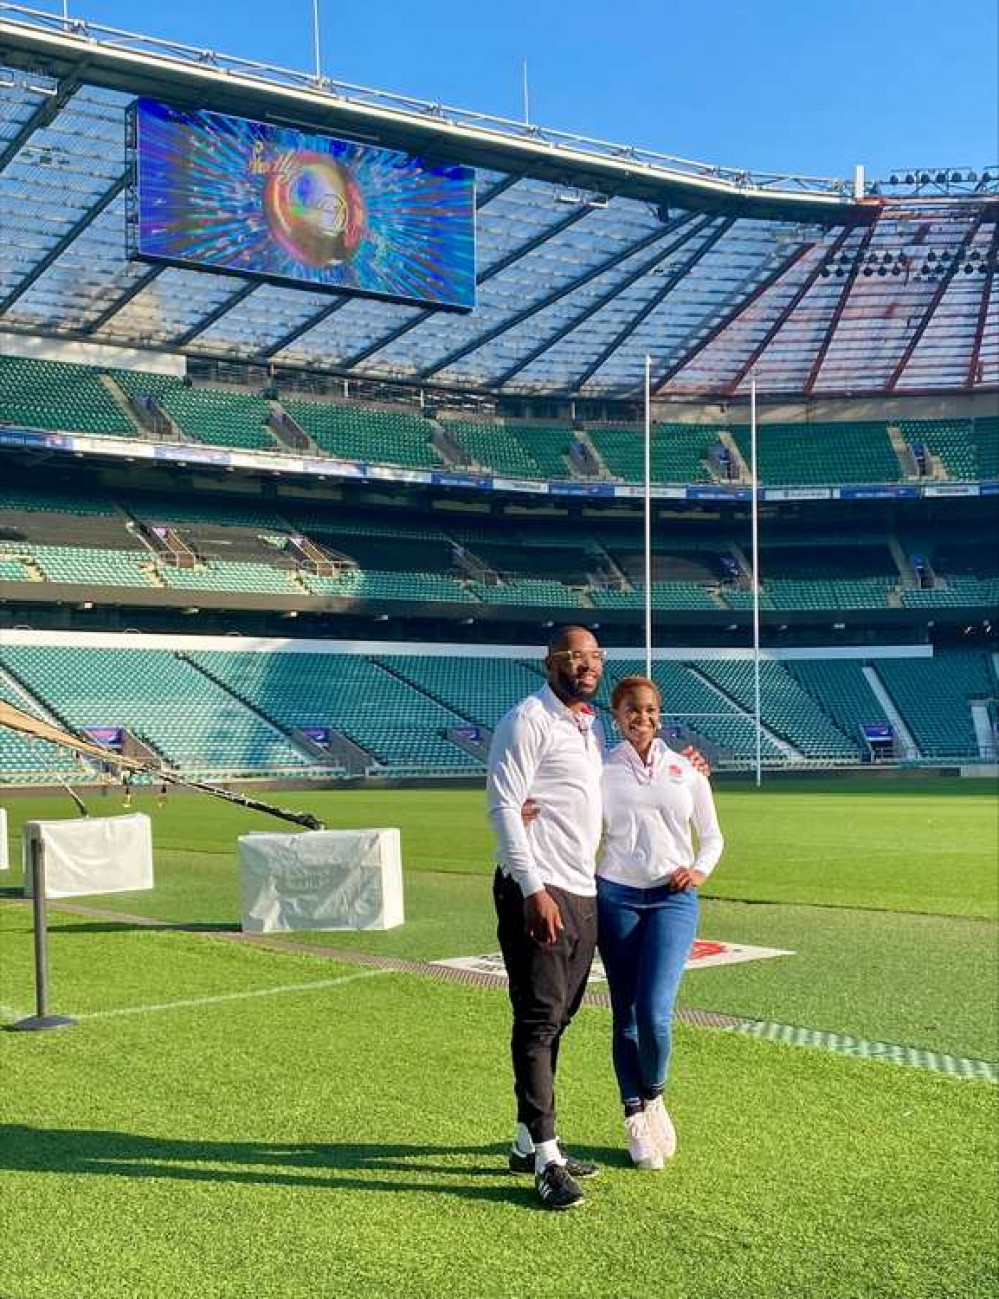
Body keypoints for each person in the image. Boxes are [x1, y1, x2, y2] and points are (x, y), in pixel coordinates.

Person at [487, 625, 606, 1211]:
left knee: (558, 1019)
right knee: (537, 1020)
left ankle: (524, 1142)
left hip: (580, 888)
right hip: (541, 889)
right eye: (575, 657)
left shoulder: (587, 724)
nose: (586, 665)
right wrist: (533, 888)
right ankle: (548, 1159)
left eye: (594, 657)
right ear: (550, 661)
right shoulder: (527, 719)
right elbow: (504, 805)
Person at [596, 675, 724, 1171]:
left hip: (673, 899)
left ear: (659, 714)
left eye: (649, 709)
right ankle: (634, 1116)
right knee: (624, 1013)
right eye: (631, 709)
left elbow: (712, 837)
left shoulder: (685, 770)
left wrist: (698, 870)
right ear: (617, 714)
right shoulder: (600, 768)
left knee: (654, 1012)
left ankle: (654, 1095)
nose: (641, 718)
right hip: (616, 898)